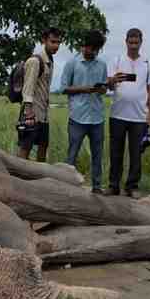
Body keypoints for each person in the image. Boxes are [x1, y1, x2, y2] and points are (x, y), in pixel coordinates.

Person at [56, 29, 114, 193]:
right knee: (72, 154)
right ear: (84, 46)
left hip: (97, 117)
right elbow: (63, 88)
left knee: (97, 154)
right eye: (91, 48)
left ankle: (96, 187)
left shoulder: (102, 64)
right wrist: (85, 89)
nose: (94, 52)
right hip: (77, 117)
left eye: (97, 49)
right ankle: (67, 186)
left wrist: (103, 89)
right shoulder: (72, 63)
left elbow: (102, 87)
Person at [109, 28, 150, 197]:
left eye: (136, 42)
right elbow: (109, 85)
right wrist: (114, 79)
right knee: (116, 152)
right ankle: (113, 185)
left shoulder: (148, 63)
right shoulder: (117, 60)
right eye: (131, 42)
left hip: (139, 117)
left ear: (141, 42)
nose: (133, 46)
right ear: (126, 42)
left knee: (136, 154)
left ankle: (132, 186)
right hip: (117, 115)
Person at [16, 28, 61, 161]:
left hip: (43, 114)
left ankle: (39, 180)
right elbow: (27, 88)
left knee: (43, 147)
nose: (56, 46)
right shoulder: (35, 61)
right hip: (31, 114)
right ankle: (19, 179)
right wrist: (28, 112)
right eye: (53, 42)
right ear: (44, 40)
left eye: (58, 42)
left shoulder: (50, 61)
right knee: (25, 148)